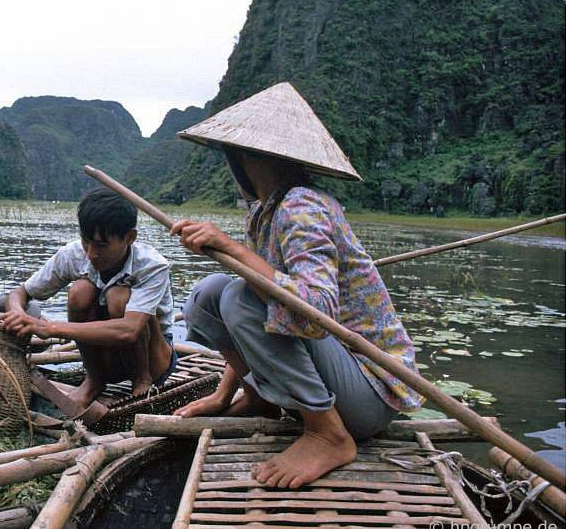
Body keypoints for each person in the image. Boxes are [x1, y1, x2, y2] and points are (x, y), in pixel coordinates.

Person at [170, 82, 423, 489]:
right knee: (208, 295)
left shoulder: (303, 205)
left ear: (247, 159)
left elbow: (316, 310)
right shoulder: (265, 211)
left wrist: (230, 246)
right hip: (336, 375)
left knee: (238, 294)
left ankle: (328, 434)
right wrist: (224, 395)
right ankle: (258, 398)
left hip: (369, 390)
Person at [0, 187, 176, 409]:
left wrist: (52, 328)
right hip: (108, 355)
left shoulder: (152, 265)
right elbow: (20, 292)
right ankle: (94, 379)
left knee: (119, 296)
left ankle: (141, 381)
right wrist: (16, 312)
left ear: (130, 238)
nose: (92, 253)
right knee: (80, 292)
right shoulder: (74, 254)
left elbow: (129, 330)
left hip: (154, 358)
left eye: (102, 245)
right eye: (86, 241)